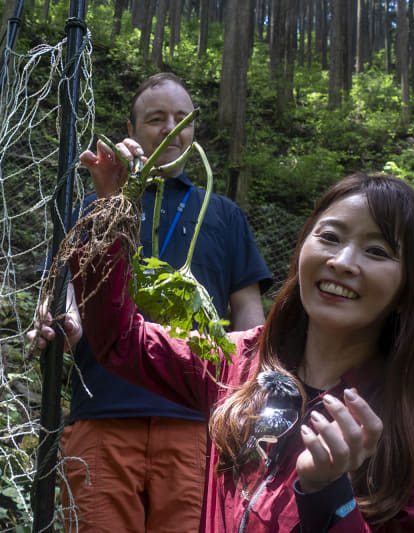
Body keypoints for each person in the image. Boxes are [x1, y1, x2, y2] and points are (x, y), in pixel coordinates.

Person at [43, 171, 414, 532]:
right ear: (303, 248)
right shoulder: (236, 363)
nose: (342, 261)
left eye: (377, 250)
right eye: (330, 237)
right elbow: (120, 343)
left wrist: (329, 497)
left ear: (412, 283)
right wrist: (111, 216)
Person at [31, 72, 272, 532]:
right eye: (155, 118)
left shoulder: (223, 214)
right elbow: (66, 290)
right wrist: (63, 321)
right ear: (133, 128)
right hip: (101, 412)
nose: (170, 129)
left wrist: (252, 400)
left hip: (196, 421)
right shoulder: (95, 206)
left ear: (194, 131)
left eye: (182, 119)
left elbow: (248, 318)